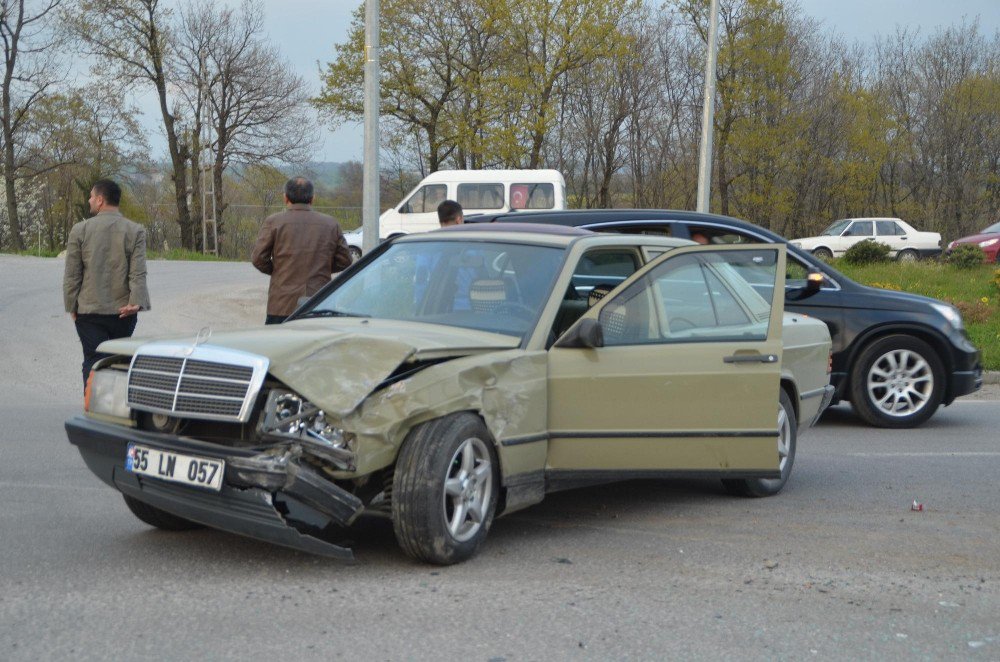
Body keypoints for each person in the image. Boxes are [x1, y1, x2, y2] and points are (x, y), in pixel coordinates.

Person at [63, 178, 150, 389]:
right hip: (123, 313)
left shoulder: (80, 230)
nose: (89, 200)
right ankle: (117, 409)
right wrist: (136, 303)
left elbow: (72, 274)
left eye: (92, 196)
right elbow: (138, 272)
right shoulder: (135, 230)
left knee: (93, 361)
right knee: (119, 362)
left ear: (100, 200)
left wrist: (71, 306)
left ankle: (92, 407)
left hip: (89, 312)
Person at [251, 177, 352, 324]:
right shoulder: (330, 223)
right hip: (319, 301)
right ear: (312, 199)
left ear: (285, 198)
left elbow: (258, 258)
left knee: (280, 346)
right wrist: (321, 269)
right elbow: (345, 260)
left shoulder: (274, 222)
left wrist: (278, 271)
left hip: (281, 304)